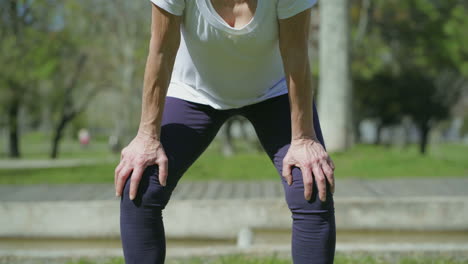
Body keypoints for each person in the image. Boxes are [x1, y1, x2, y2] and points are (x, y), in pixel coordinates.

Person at [114, 0, 336, 263]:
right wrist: (147, 137)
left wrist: (303, 139)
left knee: (310, 183)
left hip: (274, 91)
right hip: (194, 91)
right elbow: (160, 52)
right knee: (140, 182)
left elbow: (296, 52)